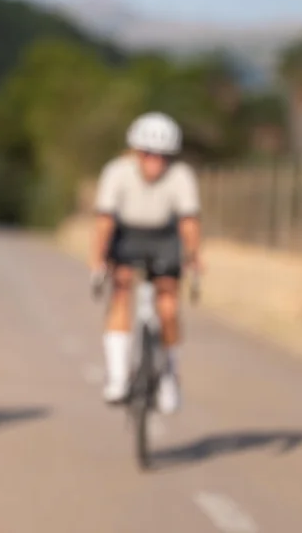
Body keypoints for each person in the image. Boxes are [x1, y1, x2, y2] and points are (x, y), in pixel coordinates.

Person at [88, 112, 201, 414]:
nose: (155, 161)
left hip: (164, 237)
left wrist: (193, 260)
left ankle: (169, 375)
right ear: (137, 152)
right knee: (121, 289)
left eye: (163, 155)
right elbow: (104, 221)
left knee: (168, 303)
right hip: (127, 235)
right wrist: (98, 261)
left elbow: (189, 222)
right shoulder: (117, 172)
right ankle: (117, 375)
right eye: (148, 153)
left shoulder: (181, 176)